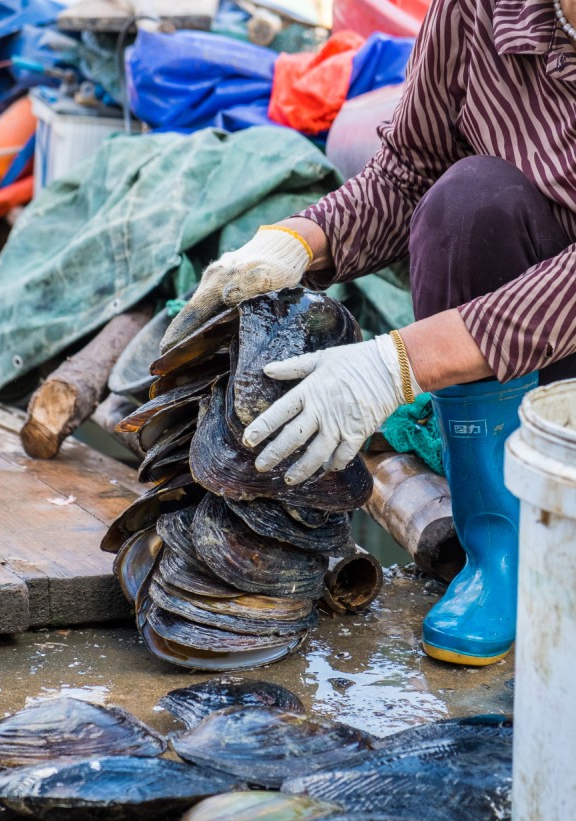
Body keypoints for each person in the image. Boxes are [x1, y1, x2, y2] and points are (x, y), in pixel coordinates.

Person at [161, 0, 576, 667]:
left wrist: (397, 364)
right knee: (467, 199)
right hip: (523, 359)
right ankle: (499, 552)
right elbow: (408, 171)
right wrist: (294, 242)